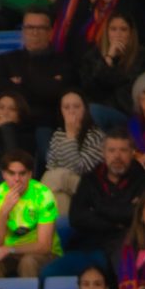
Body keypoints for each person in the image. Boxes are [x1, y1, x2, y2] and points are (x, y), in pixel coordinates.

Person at [60, 127, 145, 276]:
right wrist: (115, 223)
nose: (117, 156)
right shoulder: (90, 179)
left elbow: (140, 215)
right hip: (90, 244)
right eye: (112, 150)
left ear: (132, 153)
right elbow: (77, 217)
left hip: (126, 244)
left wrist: (98, 208)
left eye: (123, 150)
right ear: (103, 153)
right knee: (50, 272)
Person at [0, 149, 60, 279]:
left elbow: (44, 246)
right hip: (8, 254)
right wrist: (4, 211)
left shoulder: (44, 195)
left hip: (40, 254)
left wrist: (8, 249)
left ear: (30, 174)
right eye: (11, 173)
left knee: (28, 262)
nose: (17, 179)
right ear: (3, 174)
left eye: (22, 174)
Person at [0, 9, 70, 130]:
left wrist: (21, 83)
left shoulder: (64, 61)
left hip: (47, 124)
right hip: (12, 122)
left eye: (41, 28)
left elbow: (61, 93)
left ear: (50, 32)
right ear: (23, 31)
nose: (35, 33)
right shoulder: (5, 59)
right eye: (30, 27)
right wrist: (45, 83)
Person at [78, 12, 145, 126]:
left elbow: (129, 86)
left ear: (131, 33)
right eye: (113, 29)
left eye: (123, 29)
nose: (118, 34)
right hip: (98, 109)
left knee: (95, 111)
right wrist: (108, 59)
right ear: (107, 32)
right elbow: (90, 89)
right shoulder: (93, 56)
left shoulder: (142, 57)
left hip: (127, 112)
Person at [43, 89, 106, 217]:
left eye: (76, 107)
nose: (71, 111)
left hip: (90, 187)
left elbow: (80, 169)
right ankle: (64, 226)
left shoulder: (96, 135)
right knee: (59, 196)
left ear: (85, 110)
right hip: (63, 187)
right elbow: (51, 165)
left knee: (54, 176)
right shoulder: (58, 135)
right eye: (66, 107)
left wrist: (71, 136)